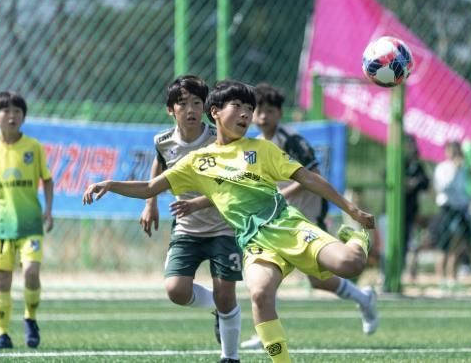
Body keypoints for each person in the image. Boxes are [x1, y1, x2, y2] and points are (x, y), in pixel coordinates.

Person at [83, 80, 375, 363]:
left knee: (350, 265)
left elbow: (309, 178)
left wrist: (352, 211)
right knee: (259, 294)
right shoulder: (197, 161)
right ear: (215, 112)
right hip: (256, 243)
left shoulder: (262, 149)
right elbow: (150, 187)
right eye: (238, 106)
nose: (246, 114)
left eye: (249, 108)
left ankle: (356, 237)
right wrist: (110, 184)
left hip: (290, 227)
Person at [234, 83, 376, 350]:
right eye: (258, 110)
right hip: (277, 220)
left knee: (319, 277)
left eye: (269, 110)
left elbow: (312, 174)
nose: (263, 116)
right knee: (266, 275)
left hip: (306, 215)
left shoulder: (291, 140)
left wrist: (283, 194)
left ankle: (363, 294)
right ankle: (265, 330)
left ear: (279, 113)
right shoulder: (255, 144)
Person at [138, 75, 242, 363]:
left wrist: (197, 203)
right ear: (170, 110)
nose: (191, 110)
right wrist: (150, 203)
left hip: (223, 228)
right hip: (187, 229)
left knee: (226, 293)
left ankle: (230, 356)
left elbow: (232, 184)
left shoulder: (219, 139)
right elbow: (159, 165)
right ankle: (219, 308)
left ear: (207, 107)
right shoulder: (163, 141)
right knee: (176, 290)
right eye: (183, 104)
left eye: (197, 103)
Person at [0, 92, 54, 349]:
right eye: (6, 111)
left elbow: (48, 180)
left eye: (17, 111)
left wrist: (49, 210)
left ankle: (30, 318)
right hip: (2, 225)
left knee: (31, 271)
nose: (12, 116)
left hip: (30, 224)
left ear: (23, 117)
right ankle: (2, 334)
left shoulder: (33, 147)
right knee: (3, 280)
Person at [433, 141, 471, 286]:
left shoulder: (464, 169)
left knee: (460, 242)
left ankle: (452, 275)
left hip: (460, 209)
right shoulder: (442, 168)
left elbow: (465, 190)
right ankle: (440, 277)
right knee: (444, 244)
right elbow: (443, 187)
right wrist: (455, 170)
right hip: (447, 208)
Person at [403, 135, 430, 274]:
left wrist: (415, 183)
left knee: (412, 242)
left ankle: (410, 271)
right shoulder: (400, 163)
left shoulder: (418, 167)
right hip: (397, 210)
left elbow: (426, 183)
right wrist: (404, 183)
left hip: (412, 210)